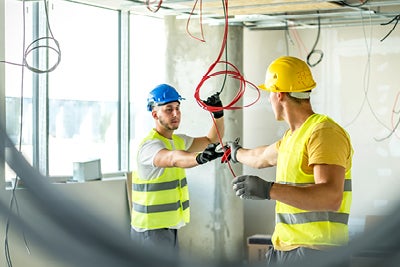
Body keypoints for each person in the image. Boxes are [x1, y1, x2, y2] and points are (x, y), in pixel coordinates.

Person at [225, 56, 353, 265]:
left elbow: (331, 197)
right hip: (286, 249)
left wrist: (268, 190)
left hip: (317, 252)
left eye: (269, 93)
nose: (269, 99)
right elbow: (260, 157)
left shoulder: (323, 133)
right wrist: (233, 152)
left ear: (279, 94)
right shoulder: (292, 137)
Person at [130, 83, 225, 254]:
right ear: (154, 114)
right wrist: (199, 157)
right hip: (150, 232)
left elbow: (211, 139)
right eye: (168, 109)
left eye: (177, 108)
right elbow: (173, 158)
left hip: (169, 227)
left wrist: (217, 115)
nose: (175, 113)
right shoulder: (149, 146)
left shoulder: (178, 141)